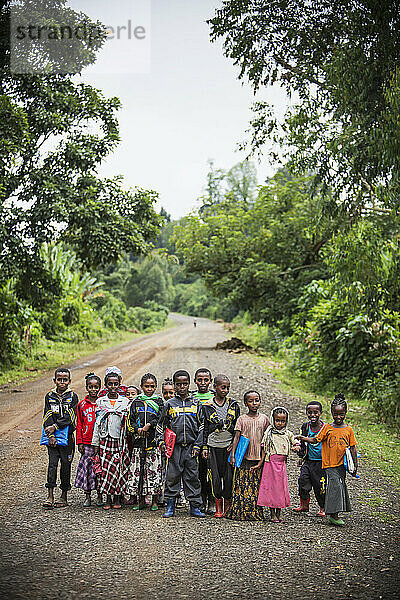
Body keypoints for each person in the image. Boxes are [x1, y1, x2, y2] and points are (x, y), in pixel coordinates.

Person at [297, 393, 358, 526]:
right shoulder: (327, 428)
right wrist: (303, 438)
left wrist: (355, 466)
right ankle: (333, 515)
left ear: (346, 413)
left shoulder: (348, 430)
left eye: (341, 414)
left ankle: (333, 512)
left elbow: (353, 448)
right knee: (334, 487)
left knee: (339, 487)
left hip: (341, 465)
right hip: (329, 464)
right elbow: (315, 439)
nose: (338, 417)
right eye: (335, 414)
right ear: (331, 413)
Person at [156, 370, 206, 518]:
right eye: (179, 384)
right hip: (174, 448)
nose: (182, 387)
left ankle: (194, 507)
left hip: (191, 448)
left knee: (192, 476)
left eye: (185, 384)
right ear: (174, 385)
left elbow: (202, 425)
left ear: (189, 384)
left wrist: (198, 445)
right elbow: (161, 425)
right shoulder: (169, 404)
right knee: (172, 476)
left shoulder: (196, 403)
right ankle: (170, 506)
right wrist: (161, 442)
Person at [225, 391, 269, 521]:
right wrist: (232, 455)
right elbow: (236, 438)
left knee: (256, 486)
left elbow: (267, 439)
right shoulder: (241, 419)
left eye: (257, 400)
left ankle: (255, 512)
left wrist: (265, 457)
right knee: (242, 485)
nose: (254, 404)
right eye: (251, 401)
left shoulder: (264, 419)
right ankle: (240, 512)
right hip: (244, 457)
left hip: (258, 458)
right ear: (245, 403)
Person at [92, 367, 131, 510]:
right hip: (105, 439)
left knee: (119, 469)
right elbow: (97, 424)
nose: (113, 387)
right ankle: (107, 497)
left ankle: (117, 497)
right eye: (110, 384)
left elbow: (128, 423)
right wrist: (95, 443)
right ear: (106, 385)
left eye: (116, 384)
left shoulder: (125, 402)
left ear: (120, 384)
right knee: (106, 469)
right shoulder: (101, 401)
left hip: (120, 440)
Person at [202, 374, 240, 517]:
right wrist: (204, 447)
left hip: (228, 446)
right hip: (212, 446)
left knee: (229, 477)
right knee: (214, 477)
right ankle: (218, 506)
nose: (225, 390)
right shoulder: (207, 406)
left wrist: (234, 445)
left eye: (228, 388)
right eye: (223, 387)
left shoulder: (233, 405)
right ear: (215, 387)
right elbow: (204, 427)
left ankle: (227, 506)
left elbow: (237, 428)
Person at [256, 406, 300, 523]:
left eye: (283, 421)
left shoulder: (287, 433)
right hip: (270, 464)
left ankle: (279, 512)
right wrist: (260, 462)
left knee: (280, 489)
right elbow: (264, 448)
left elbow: (294, 441)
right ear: (273, 420)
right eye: (277, 420)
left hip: (281, 465)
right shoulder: (269, 432)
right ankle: (272, 513)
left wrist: (296, 446)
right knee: (272, 488)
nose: (280, 423)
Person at [126, 373, 164, 511]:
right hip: (138, 442)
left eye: (152, 386)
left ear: (156, 387)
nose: (149, 389)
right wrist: (137, 429)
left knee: (153, 471)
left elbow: (161, 418)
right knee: (138, 472)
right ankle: (140, 500)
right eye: (146, 386)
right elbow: (129, 421)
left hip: (153, 443)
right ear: (141, 387)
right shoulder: (136, 402)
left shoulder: (159, 402)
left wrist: (150, 425)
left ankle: (154, 500)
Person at [42, 367, 78, 508]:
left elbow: (71, 416)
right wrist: (51, 434)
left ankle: (64, 496)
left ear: (69, 381)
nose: (62, 382)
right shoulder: (49, 396)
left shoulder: (73, 397)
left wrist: (55, 427)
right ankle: (50, 495)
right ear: (54, 380)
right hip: (52, 438)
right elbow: (47, 414)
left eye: (65, 379)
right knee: (52, 465)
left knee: (66, 465)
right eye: (59, 379)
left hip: (67, 438)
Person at [75, 373, 103, 507]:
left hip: (100, 442)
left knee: (99, 469)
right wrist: (79, 441)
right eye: (90, 387)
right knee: (87, 469)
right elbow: (79, 424)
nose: (93, 390)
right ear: (86, 387)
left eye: (96, 387)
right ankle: (87, 496)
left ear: (99, 387)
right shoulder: (81, 405)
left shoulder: (102, 403)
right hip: (86, 442)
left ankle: (100, 495)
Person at [293, 401, 326, 516]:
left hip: (321, 463)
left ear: (320, 413)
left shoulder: (325, 428)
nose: (313, 415)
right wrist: (301, 456)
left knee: (320, 486)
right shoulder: (305, 427)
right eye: (310, 412)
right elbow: (302, 443)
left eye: (316, 412)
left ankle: (322, 508)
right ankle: (304, 504)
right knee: (302, 481)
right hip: (308, 461)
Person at [193, 368, 215, 512]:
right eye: (199, 380)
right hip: (196, 440)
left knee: (211, 472)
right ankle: (200, 500)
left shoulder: (215, 396)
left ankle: (213, 501)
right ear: (195, 381)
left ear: (211, 382)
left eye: (206, 380)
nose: (202, 383)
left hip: (212, 440)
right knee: (198, 472)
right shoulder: (191, 397)